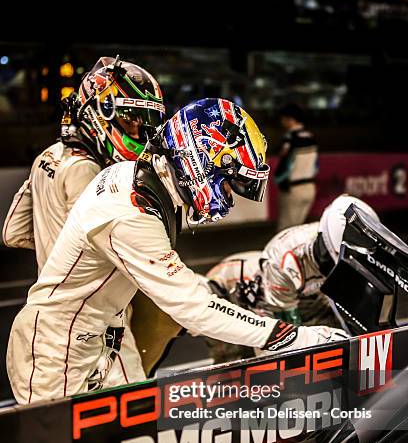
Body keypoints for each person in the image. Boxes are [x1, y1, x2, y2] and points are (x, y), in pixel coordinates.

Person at [6, 98, 348, 405]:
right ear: (199, 159)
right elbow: (194, 309)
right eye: (228, 180)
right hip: (58, 353)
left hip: (102, 342)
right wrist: (292, 337)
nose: (227, 193)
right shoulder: (130, 213)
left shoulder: (133, 177)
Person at [2, 56, 166, 386]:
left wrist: (52, 252)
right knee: (130, 428)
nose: (139, 131)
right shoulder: (93, 173)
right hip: (95, 336)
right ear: (100, 111)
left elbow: (13, 232)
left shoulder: (47, 157)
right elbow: (108, 250)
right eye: (131, 118)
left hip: (48, 324)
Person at [206, 195, 379, 346]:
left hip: (292, 292)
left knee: (330, 334)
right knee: (240, 364)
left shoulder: (338, 238)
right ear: (325, 251)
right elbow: (282, 335)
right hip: (230, 294)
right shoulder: (286, 261)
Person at [274, 102, 318, 232]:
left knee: (284, 233)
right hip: (310, 188)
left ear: (289, 119)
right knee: (298, 231)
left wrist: (278, 180)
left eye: (283, 119)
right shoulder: (311, 136)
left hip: (293, 189)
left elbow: (284, 164)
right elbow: (316, 166)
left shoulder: (289, 138)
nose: (281, 122)